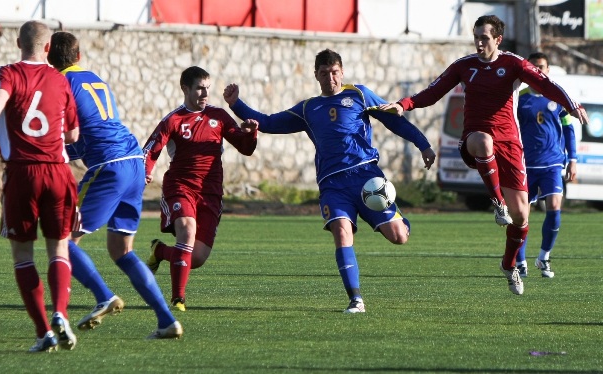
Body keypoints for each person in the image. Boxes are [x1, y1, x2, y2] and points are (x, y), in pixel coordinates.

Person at [383, 15, 588, 295]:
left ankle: (508, 265)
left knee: (522, 217)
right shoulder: (464, 66)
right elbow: (432, 92)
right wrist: (404, 104)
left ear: (498, 40)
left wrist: (571, 104)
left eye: (485, 38)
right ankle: (497, 202)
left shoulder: (513, 64)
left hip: (511, 147)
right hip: (474, 140)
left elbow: (546, 85)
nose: (479, 42)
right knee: (484, 140)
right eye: (476, 36)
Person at [223, 49, 436, 313]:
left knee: (399, 237)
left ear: (342, 71)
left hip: (366, 177)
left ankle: (400, 221)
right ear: (316, 75)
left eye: (334, 72)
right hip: (332, 185)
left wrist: (423, 144)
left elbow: (394, 121)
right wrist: (236, 105)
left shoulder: (359, 94)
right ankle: (355, 299)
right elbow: (267, 122)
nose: (330, 78)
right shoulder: (308, 108)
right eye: (324, 73)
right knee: (342, 231)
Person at [47, 31, 182, 339]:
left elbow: (68, 136)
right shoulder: (95, 79)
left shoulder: (59, 84)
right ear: (78, 56)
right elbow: (85, 136)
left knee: (62, 238)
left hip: (109, 166)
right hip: (133, 160)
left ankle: (102, 296)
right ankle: (166, 320)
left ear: (49, 57)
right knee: (121, 249)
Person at [0, 21, 80, 352]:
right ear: (48, 48)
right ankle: (61, 312)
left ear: (18, 42)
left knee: (22, 255)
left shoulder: (8, 73)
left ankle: (43, 331)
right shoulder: (60, 81)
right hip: (59, 172)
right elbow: (73, 135)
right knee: (59, 249)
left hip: (22, 173)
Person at [143, 66, 258, 312]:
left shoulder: (219, 116)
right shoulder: (173, 120)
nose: (205, 93)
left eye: (207, 87)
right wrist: (145, 171)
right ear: (185, 88)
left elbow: (245, 147)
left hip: (211, 193)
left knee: (196, 258)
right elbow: (152, 147)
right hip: (180, 186)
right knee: (186, 228)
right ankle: (178, 300)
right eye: (199, 88)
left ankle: (159, 251)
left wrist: (251, 133)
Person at [515, 52, 577, 279]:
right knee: (522, 217)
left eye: (542, 67)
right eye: (534, 67)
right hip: (525, 165)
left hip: (552, 164)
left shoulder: (558, 98)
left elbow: (569, 130)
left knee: (554, 206)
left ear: (548, 70)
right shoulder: (519, 99)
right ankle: (520, 261)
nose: (538, 71)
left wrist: (573, 159)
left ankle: (544, 257)